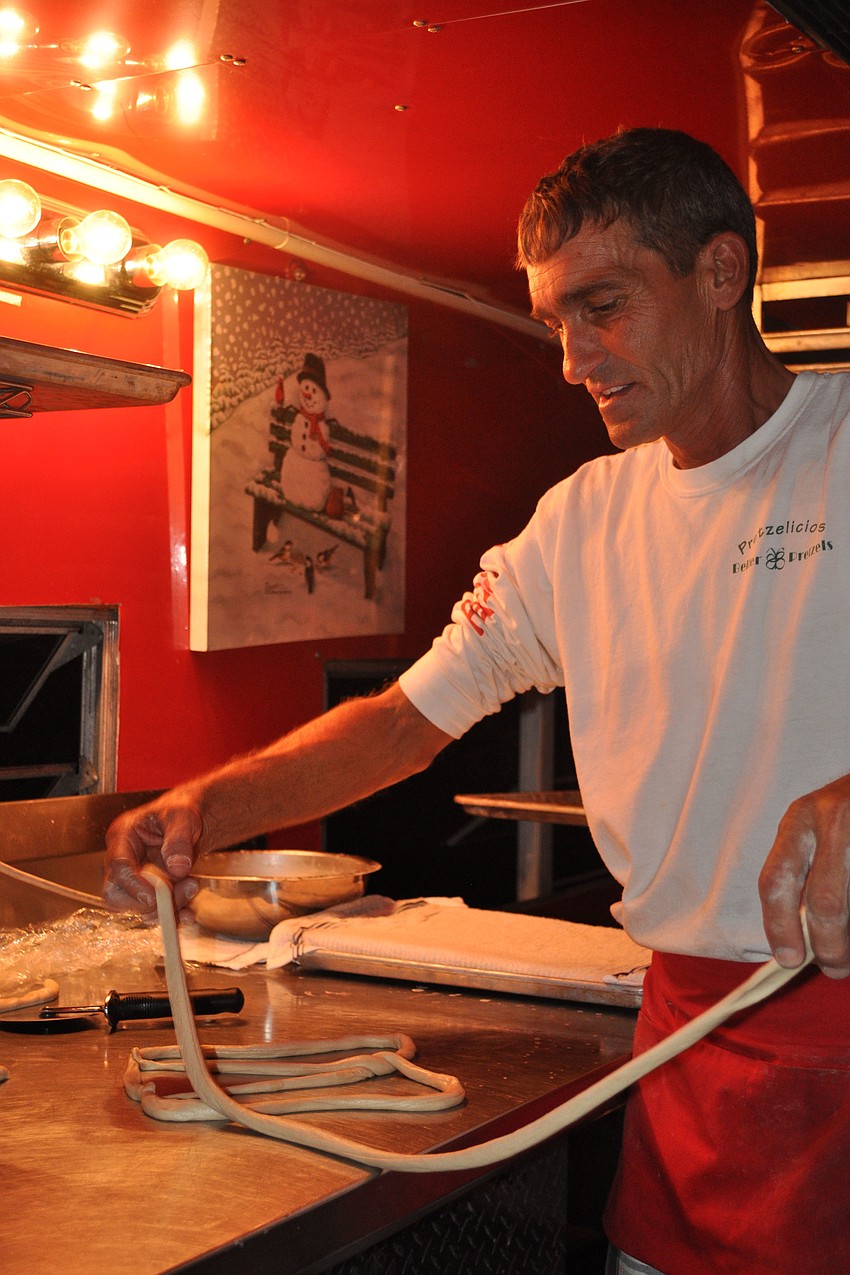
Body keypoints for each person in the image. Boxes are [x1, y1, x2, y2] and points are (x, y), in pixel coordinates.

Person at [104, 128, 850, 1275]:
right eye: (556, 319)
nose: (571, 357)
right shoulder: (579, 523)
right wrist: (212, 803)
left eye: (601, 306)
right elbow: (404, 721)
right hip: (683, 1044)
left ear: (718, 272)